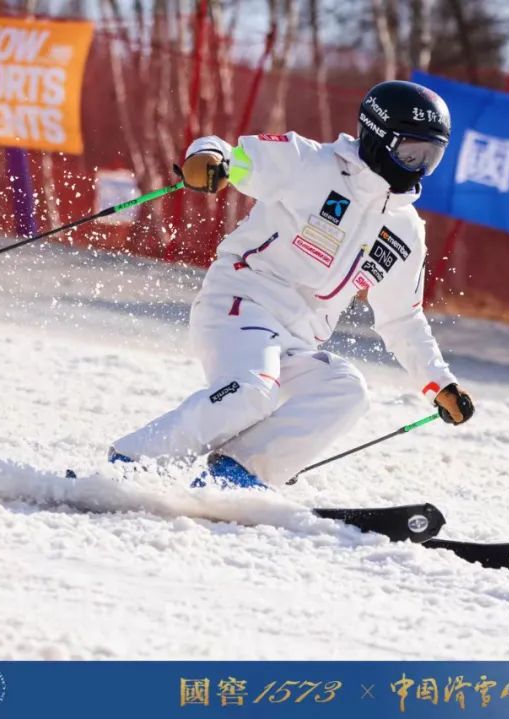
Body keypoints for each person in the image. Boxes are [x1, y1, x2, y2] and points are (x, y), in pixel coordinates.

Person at [109, 80, 474, 488]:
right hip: (241, 304)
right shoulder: (311, 164)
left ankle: (238, 475)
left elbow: (402, 319)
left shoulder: (404, 230)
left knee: (345, 391)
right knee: (253, 391)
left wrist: (439, 383)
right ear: (378, 137)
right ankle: (132, 463)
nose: (418, 169)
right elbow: (234, 156)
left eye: (431, 157)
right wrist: (208, 158)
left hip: (297, 341)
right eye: (411, 153)